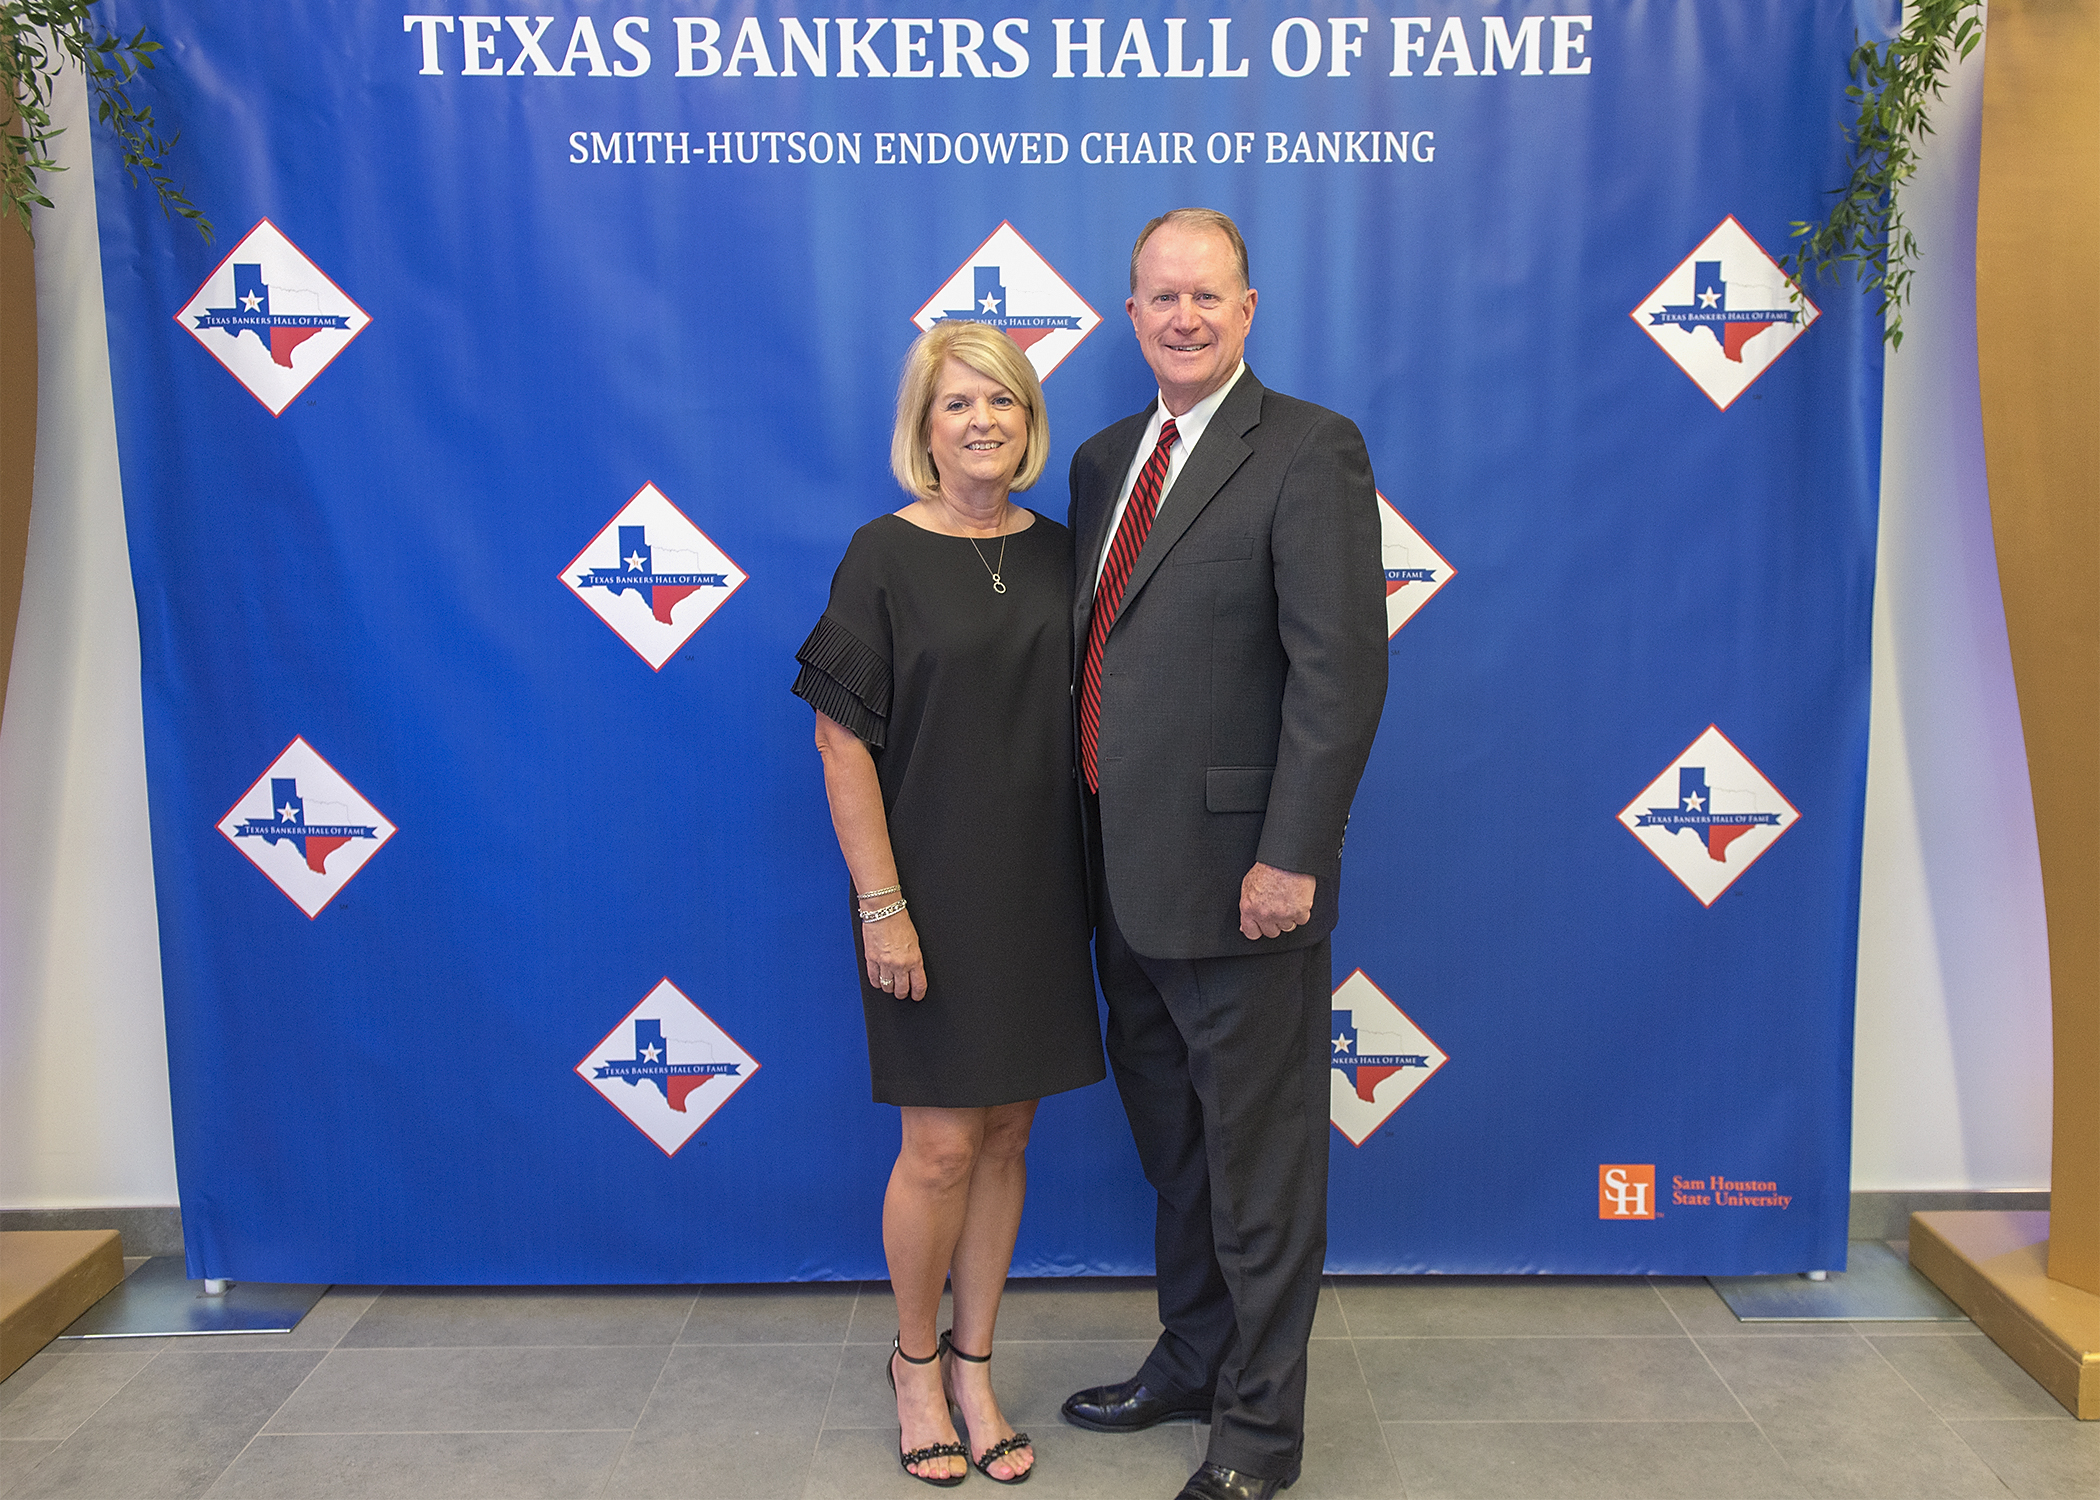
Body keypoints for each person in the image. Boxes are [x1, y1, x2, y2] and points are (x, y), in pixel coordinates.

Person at [1059, 209, 1388, 1500]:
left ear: (1248, 309)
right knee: (1179, 1157)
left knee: (1260, 1174)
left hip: (1247, 887)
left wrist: (1291, 854)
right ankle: (1193, 1360)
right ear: (1129, 314)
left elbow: (1340, 672)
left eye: (1208, 295)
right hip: (1120, 883)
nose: (1184, 317)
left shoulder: (1309, 448)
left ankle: (1256, 1435)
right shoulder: (1102, 461)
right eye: (1162, 297)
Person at [793, 319, 1106, 1487]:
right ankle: (915, 1365)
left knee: (1009, 1134)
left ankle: (976, 1367)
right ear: (923, 429)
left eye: (1004, 401)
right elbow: (841, 743)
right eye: (958, 403)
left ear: (1030, 421)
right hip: (924, 888)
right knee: (937, 1149)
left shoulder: (1066, 553)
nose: (983, 421)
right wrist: (883, 905)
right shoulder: (881, 555)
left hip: (1042, 887)